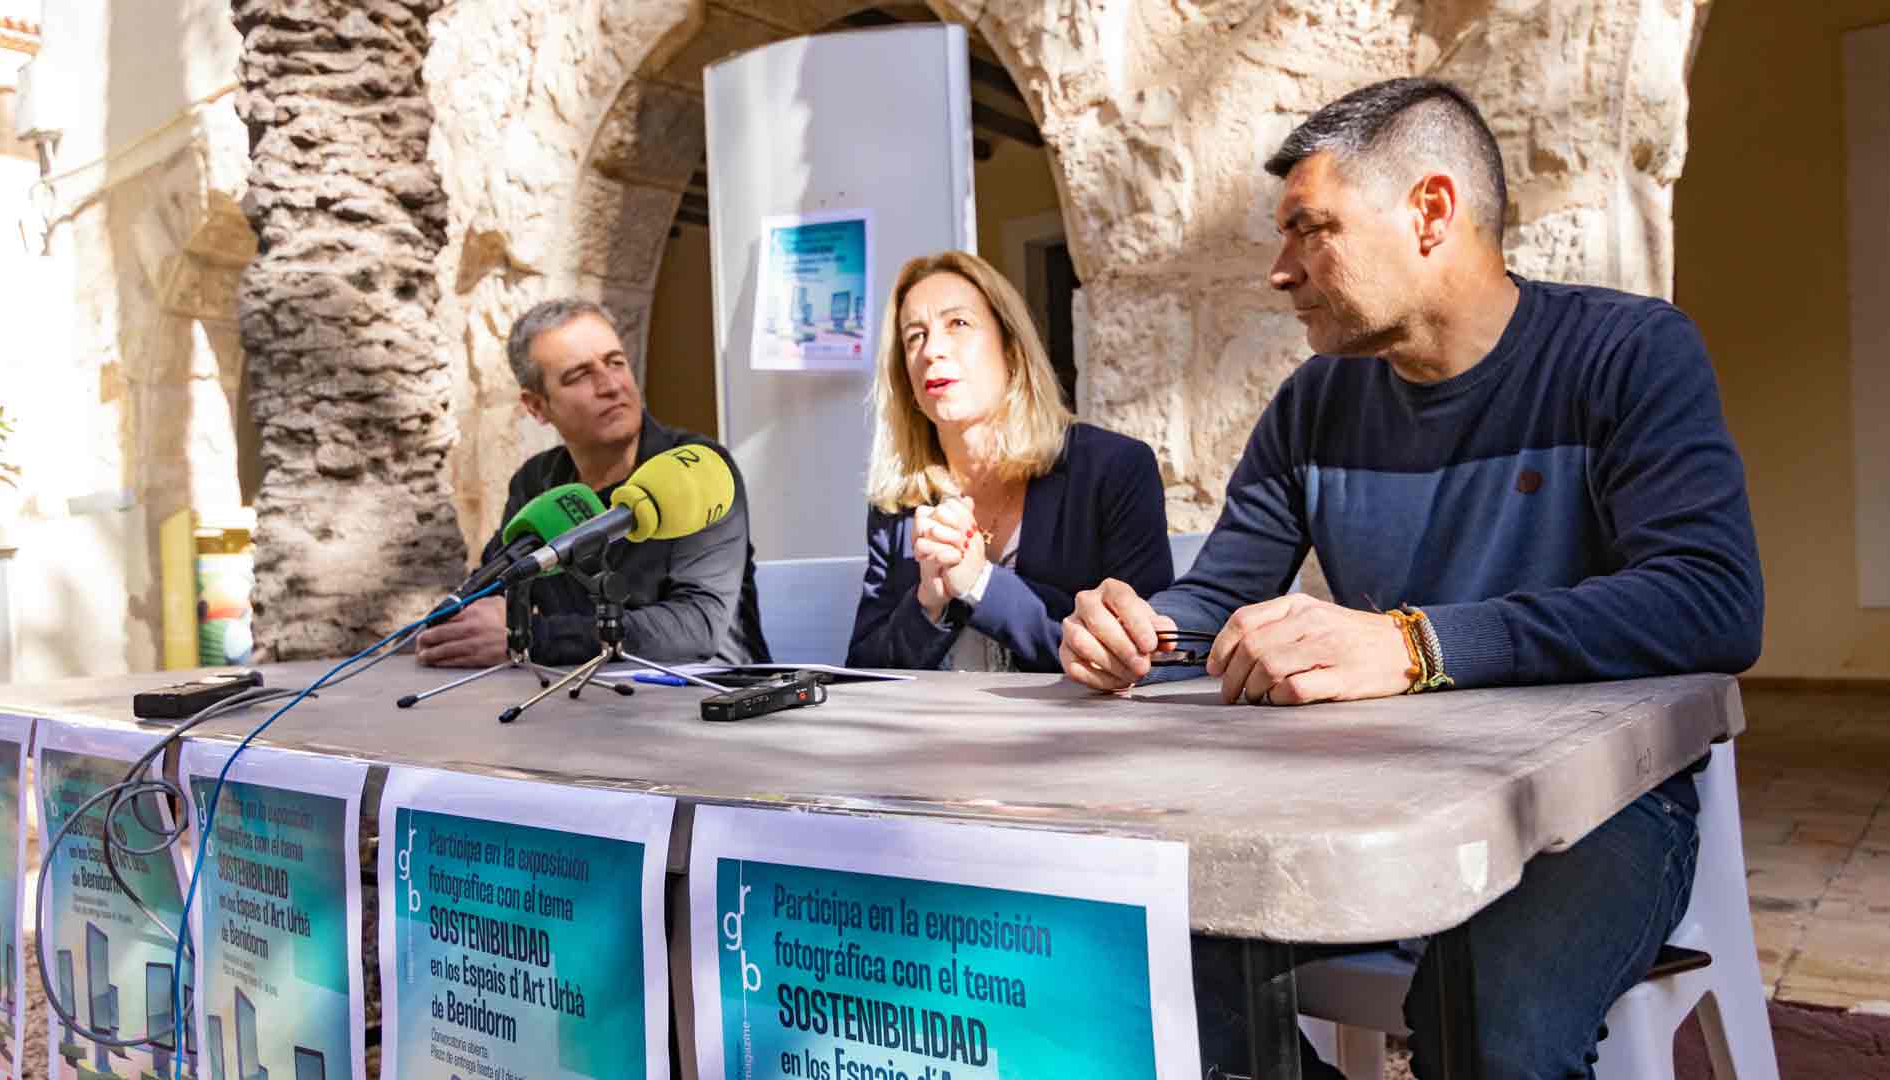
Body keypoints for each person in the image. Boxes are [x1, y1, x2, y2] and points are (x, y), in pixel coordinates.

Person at [1058, 79, 1763, 1079]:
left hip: (1597, 810)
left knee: (1489, 1028)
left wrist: (1413, 645)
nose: (1279, 269)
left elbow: (1712, 600)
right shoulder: (1314, 405)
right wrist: (1139, 632)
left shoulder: (1629, 353)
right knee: (1134, 952)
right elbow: (1213, 601)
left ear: (1430, 212)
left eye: (1312, 228)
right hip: (1362, 807)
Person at [847, 251, 1172, 673]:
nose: (932, 350)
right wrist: (928, 601)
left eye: (957, 324)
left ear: (1011, 348)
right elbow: (860, 675)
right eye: (915, 337)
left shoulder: (1114, 470)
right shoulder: (899, 504)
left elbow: (1141, 653)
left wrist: (980, 583)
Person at [416, 299, 768, 669]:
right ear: (537, 407)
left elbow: (697, 627)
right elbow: (496, 587)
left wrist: (531, 637)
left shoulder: (696, 468)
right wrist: (462, 622)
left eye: (615, 362)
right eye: (580, 375)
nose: (610, 385)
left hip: (707, 698)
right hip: (581, 696)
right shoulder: (536, 481)